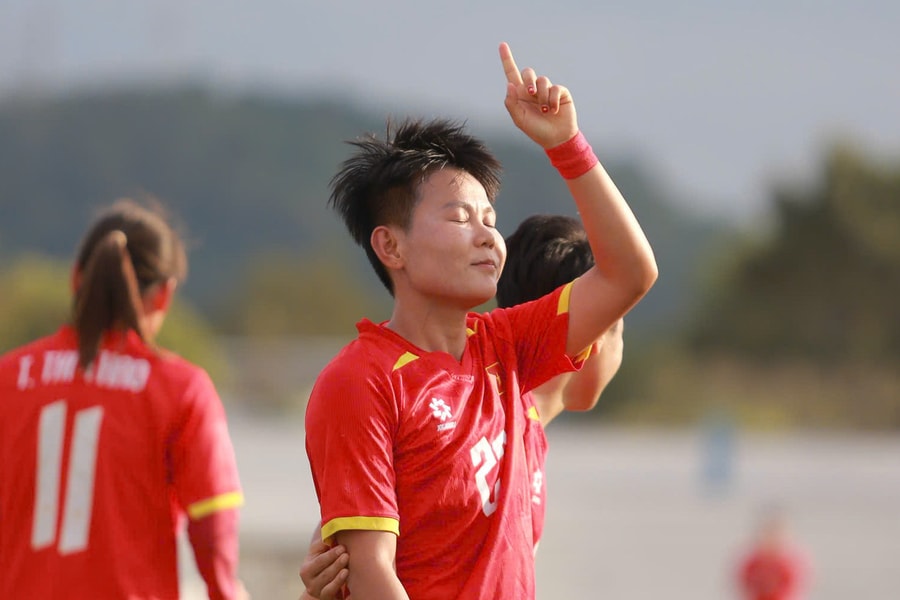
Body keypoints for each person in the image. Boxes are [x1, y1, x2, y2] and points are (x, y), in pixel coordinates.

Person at [304, 42, 657, 600]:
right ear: (391, 246)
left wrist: (565, 144)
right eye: (460, 217)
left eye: (490, 219)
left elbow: (630, 274)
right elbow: (371, 571)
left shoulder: (506, 347)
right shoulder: (360, 380)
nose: (488, 235)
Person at [299, 214, 625, 599]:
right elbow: (350, 562)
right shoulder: (465, 403)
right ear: (594, 335)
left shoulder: (525, 424)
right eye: (618, 328)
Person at [0, 199, 247, 599]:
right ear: (164, 296)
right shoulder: (181, 388)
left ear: (76, 278)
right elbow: (214, 530)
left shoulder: (9, 376)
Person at [736, 506, 811, 600]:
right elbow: (744, 583)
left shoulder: (791, 564)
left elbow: (795, 588)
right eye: (767, 532)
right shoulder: (753, 562)